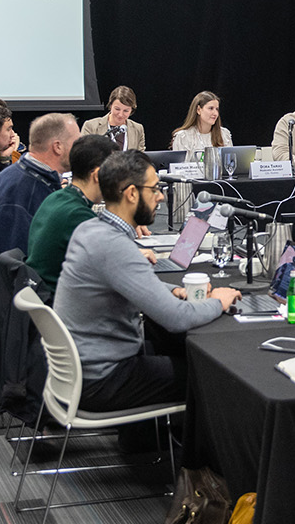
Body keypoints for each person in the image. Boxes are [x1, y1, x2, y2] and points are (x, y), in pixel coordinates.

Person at [54, 150, 241, 446]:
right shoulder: (114, 245)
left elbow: (126, 284)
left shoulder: (90, 229)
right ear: (131, 193)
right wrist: (219, 299)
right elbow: (177, 319)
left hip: (80, 369)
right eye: (154, 189)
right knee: (220, 377)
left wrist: (173, 290)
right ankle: (203, 476)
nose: (161, 197)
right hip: (102, 381)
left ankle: (151, 447)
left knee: (180, 353)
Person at [0, 113, 79, 261]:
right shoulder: (20, 191)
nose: (80, 149)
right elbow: (17, 266)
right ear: (58, 147)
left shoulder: (26, 177)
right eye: (76, 143)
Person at [25, 135, 120, 289]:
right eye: (115, 172)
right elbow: (114, 266)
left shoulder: (57, 197)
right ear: (97, 175)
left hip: (41, 295)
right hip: (58, 302)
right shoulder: (77, 214)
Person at [81, 86, 146, 151]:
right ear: (110, 105)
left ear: (132, 110)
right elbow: (84, 154)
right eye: (117, 109)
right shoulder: (90, 127)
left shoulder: (138, 129)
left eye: (126, 111)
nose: (120, 114)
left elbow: (140, 158)